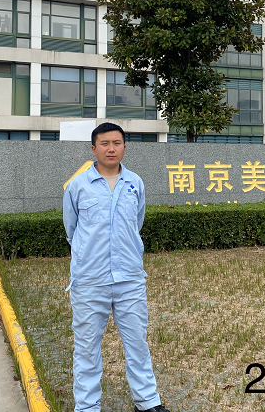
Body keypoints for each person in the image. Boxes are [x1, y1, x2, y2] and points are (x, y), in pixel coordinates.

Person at [62, 122, 169, 412]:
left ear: (124, 147)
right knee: (87, 347)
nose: (111, 149)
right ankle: (87, 406)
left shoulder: (135, 183)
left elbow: (136, 223)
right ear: (93, 148)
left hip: (129, 278)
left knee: (137, 343)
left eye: (117, 143)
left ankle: (147, 401)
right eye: (105, 143)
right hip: (89, 280)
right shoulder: (77, 185)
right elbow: (71, 230)